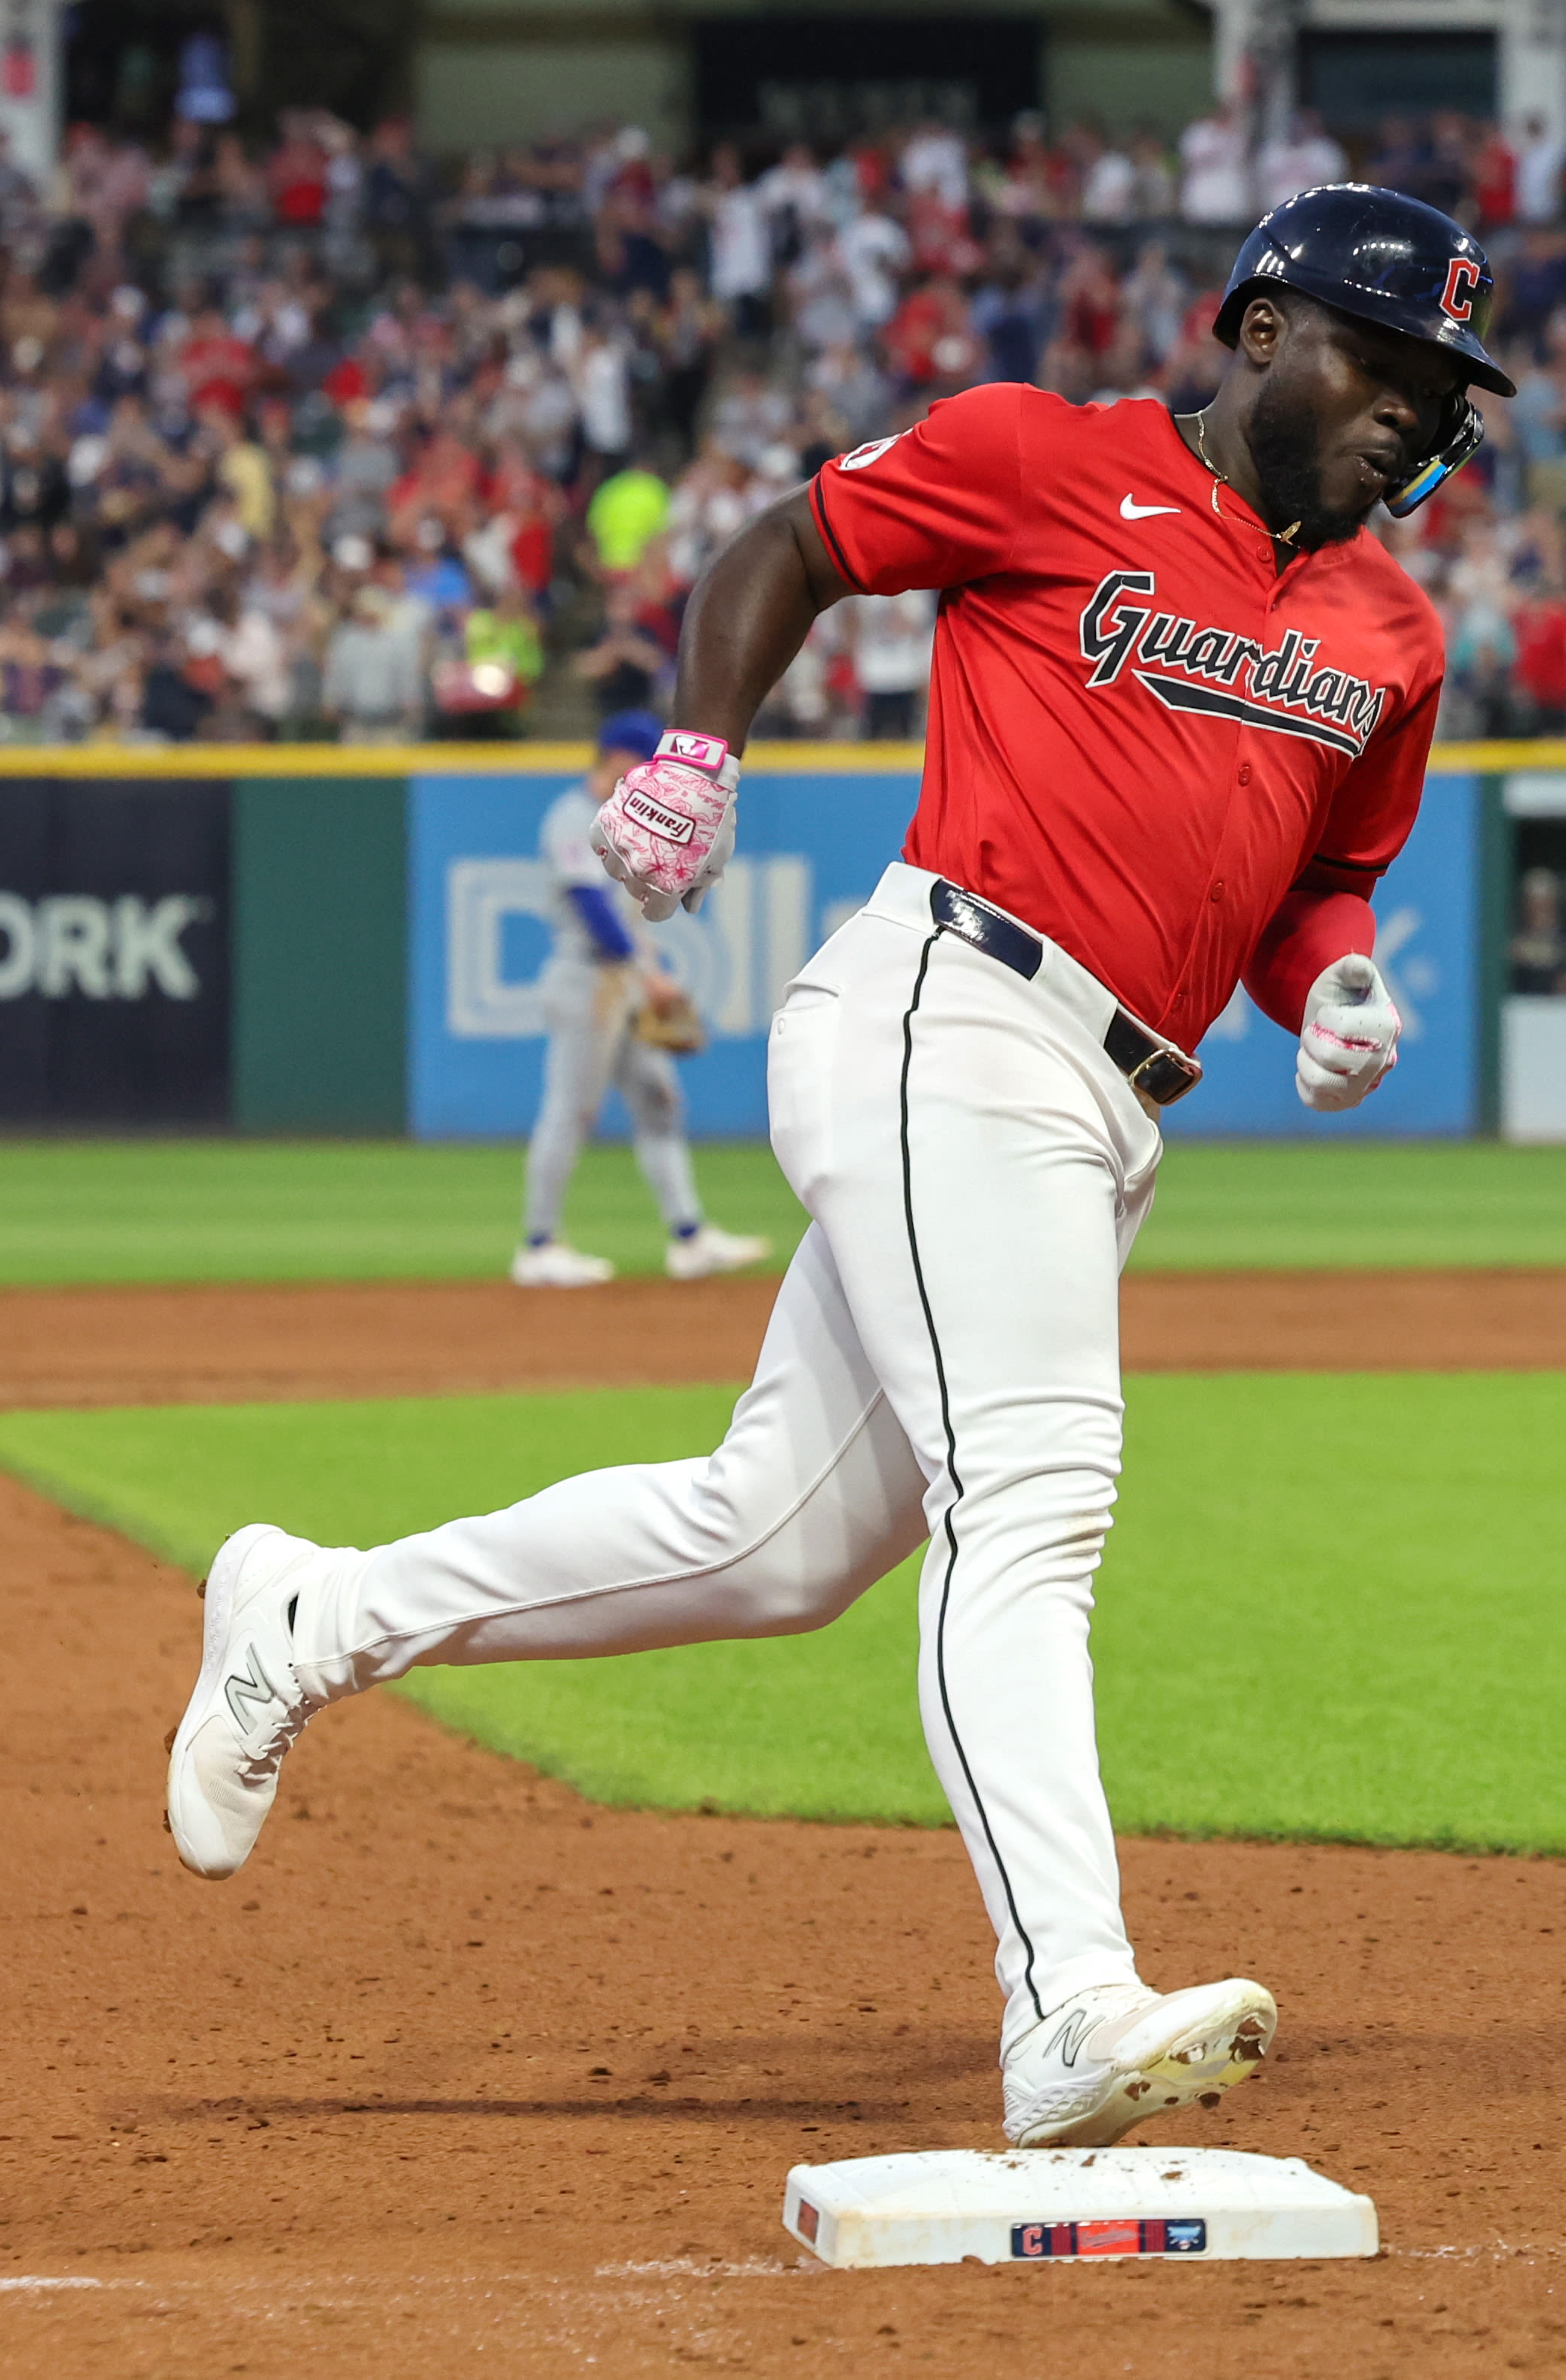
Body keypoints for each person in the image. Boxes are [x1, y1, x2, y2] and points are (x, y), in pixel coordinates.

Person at [163, 185, 1487, 2153]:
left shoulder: (1391, 627)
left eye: (1443, 393)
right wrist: (701, 742)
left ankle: (316, 1612)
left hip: (1111, 1100)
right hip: (945, 1015)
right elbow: (793, 540)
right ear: (1259, 329)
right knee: (1032, 1495)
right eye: (1380, 363)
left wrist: (1338, 980)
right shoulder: (1044, 458)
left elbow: (1318, 881)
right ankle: (1066, 2002)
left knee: (768, 1539)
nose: (1410, 417)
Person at [507, 710, 774, 1289]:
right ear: (616, 757)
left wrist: (652, 973)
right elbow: (593, 908)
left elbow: (630, 914)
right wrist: (641, 974)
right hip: (587, 981)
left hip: (623, 982)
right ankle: (538, 1245)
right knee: (571, 1111)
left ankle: (690, 1239)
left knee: (659, 1102)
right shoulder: (572, 817)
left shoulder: (622, 818)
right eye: (644, 758)